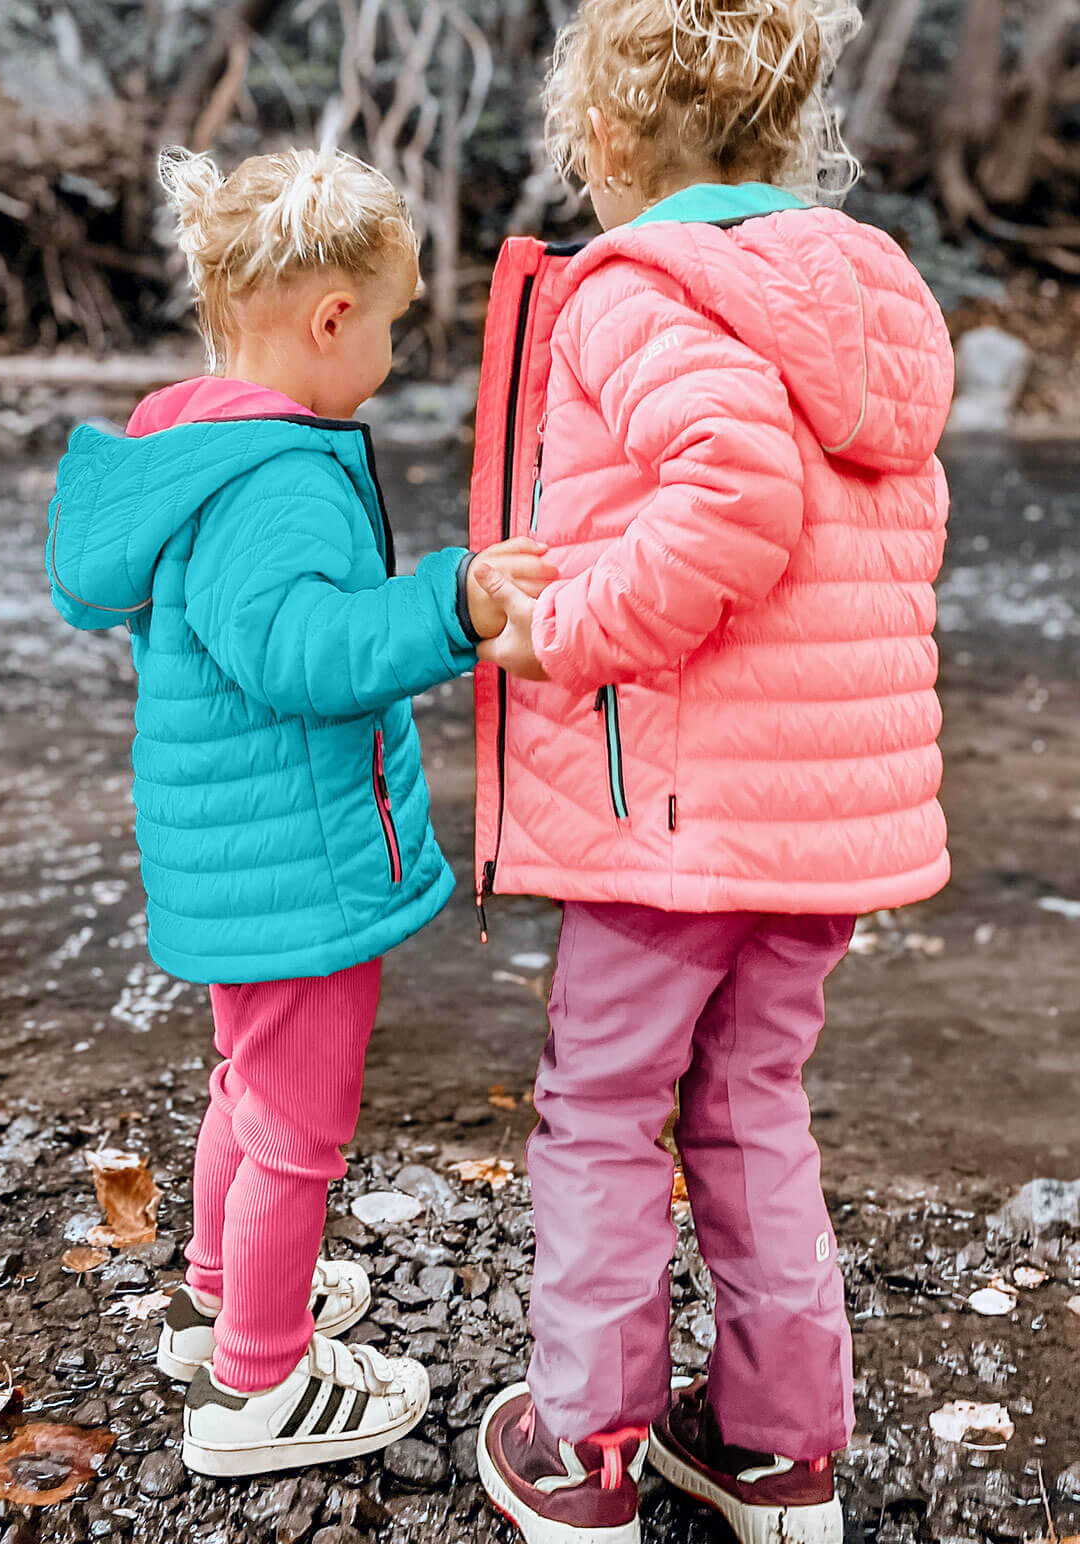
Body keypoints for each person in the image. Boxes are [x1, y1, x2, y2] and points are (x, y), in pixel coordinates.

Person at [468, 1, 954, 1540]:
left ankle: (587, 1450)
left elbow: (732, 490)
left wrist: (570, 634)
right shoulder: (871, 301)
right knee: (753, 1102)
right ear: (789, 136)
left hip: (668, 814)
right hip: (823, 823)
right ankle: (775, 1448)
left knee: (605, 1108)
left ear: (603, 141)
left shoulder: (635, 291)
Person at [45, 145, 553, 1477]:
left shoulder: (198, 442)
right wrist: (453, 603)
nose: (388, 354)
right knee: (298, 1130)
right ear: (332, 320)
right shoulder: (278, 479)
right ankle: (259, 1386)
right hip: (301, 868)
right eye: (387, 327)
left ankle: (225, 1290)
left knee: (248, 1091)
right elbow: (298, 652)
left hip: (234, 859)